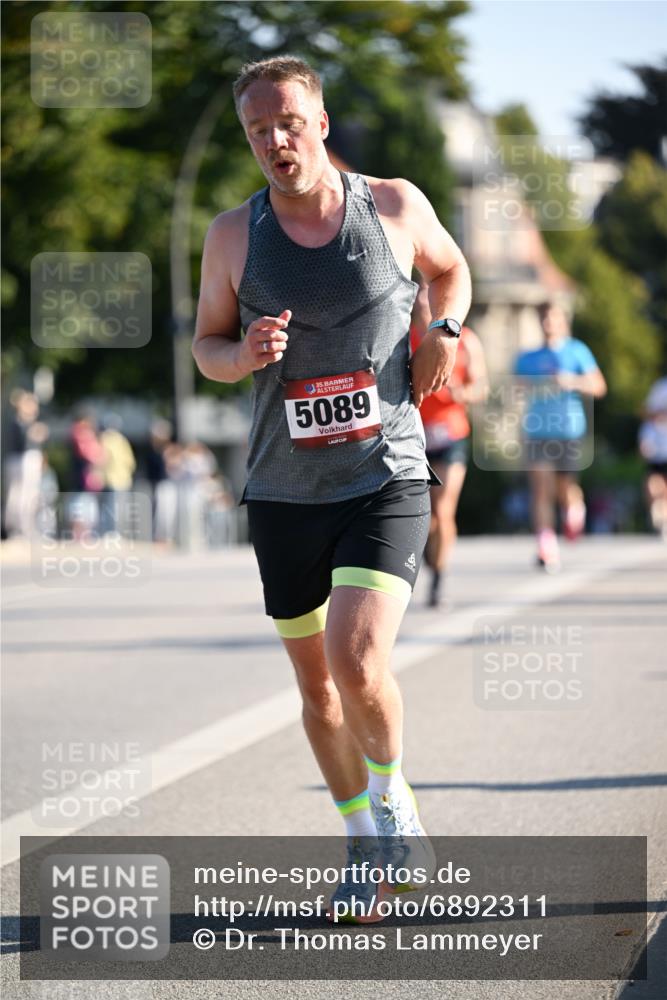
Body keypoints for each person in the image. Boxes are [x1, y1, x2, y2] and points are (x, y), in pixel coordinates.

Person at [192, 55, 471, 922]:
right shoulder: (233, 236)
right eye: (256, 131)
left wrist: (444, 332)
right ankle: (363, 846)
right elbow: (206, 344)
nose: (274, 141)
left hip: (383, 473)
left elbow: (451, 271)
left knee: (357, 659)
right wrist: (242, 356)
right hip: (282, 489)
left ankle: (395, 816)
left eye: (286, 122)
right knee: (315, 692)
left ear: (318, 120)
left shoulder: (391, 204)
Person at [410, 279, 487, 607]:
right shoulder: (402, 338)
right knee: (423, 513)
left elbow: (481, 387)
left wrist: (462, 393)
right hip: (414, 435)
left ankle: (439, 578)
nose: (426, 304)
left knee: (443, 508)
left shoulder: (465, 340)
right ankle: (430, 553)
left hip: (451, 432)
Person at [514, 302, 606, 572]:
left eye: (552, 319)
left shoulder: (577, 351)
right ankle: (546, 547)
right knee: (542, 490)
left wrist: (573, 381)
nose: (548, 324)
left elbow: (599, 386)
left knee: (566, 490)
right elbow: (514, 390)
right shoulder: (527, 358)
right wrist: (532, 385)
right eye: (543, 319)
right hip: (537, 431)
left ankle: (574, 512)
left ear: (562, 321)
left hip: (568, 430)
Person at [638, 376, 667, 538]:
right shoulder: (651, 425)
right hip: (657, 457)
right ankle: (658, 516)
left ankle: (663, 519)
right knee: (653, 486)